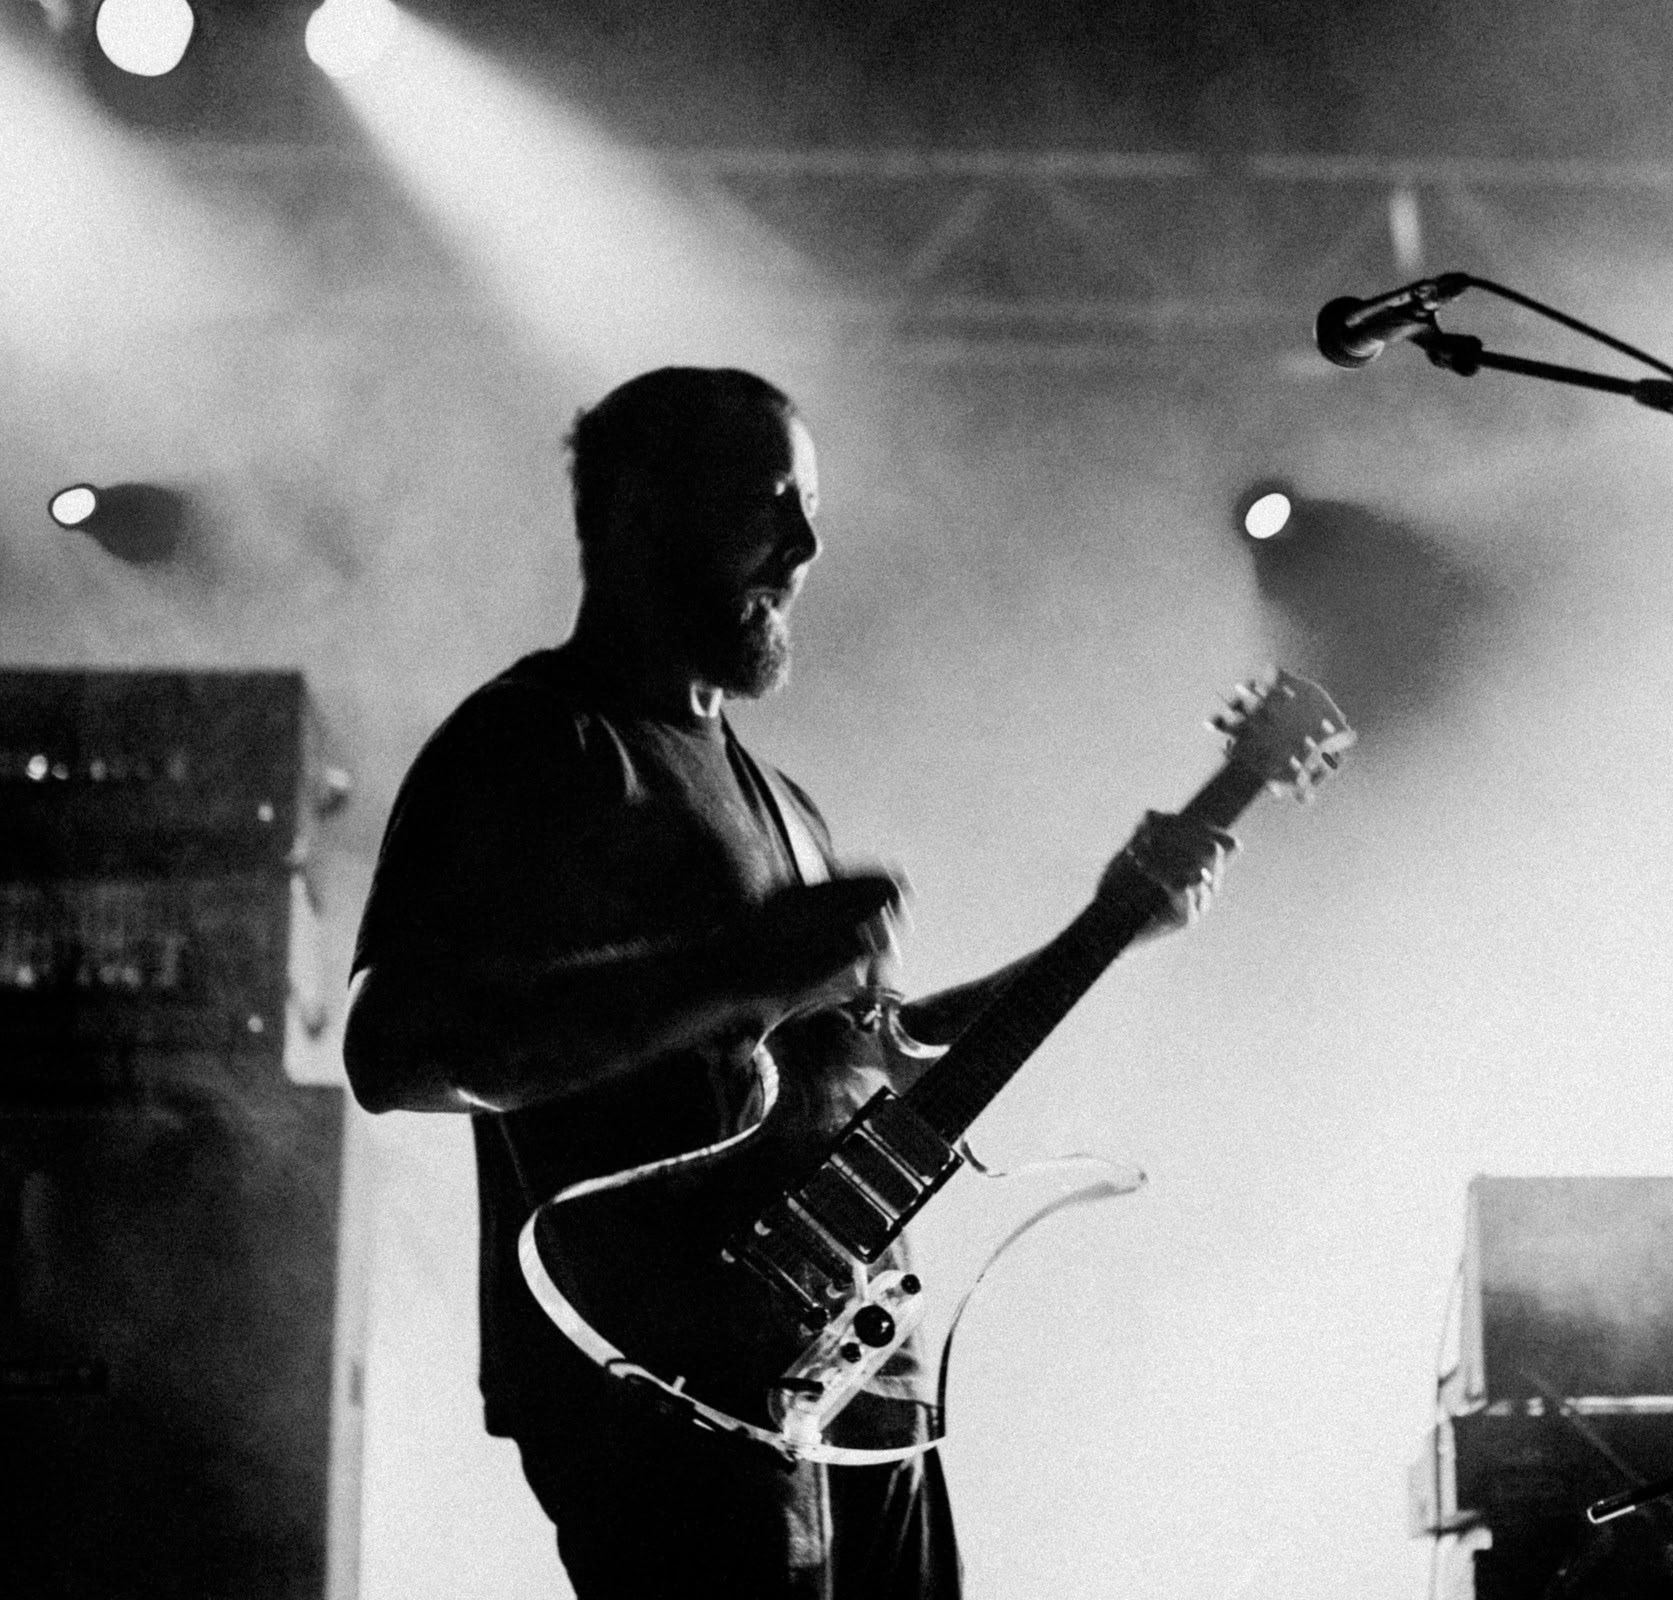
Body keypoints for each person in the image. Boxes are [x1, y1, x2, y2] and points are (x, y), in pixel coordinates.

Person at [342, 366, 1233, 1599]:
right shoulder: (535, 742)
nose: (808, 545)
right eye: (774, 501)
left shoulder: (780, 802)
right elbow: (395, 1053)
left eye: (809, 507)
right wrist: (733, 972)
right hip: (670, 1394)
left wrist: (1107, 927)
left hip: (862, 1385)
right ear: (650, 508)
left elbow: (865, 1060)